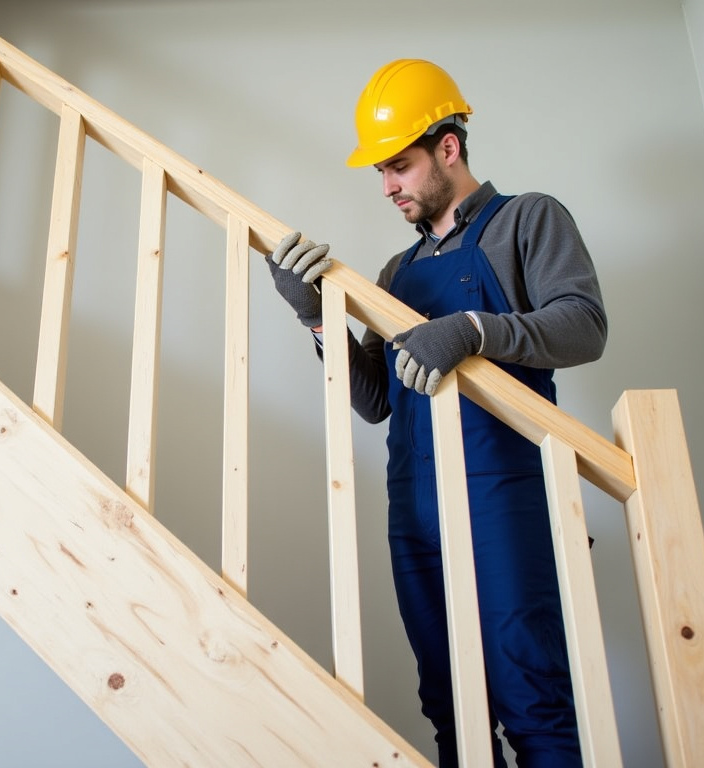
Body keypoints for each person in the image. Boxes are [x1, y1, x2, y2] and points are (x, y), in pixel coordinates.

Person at [265, 59, 607, 767]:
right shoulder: (396, 274)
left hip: (502, 495)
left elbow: (583, 325)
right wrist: (316, 317)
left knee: (532, 696)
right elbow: (374, 400)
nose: (387, 187)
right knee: (451, 707)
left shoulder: (527, 219)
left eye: (399, 166)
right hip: (414, 509)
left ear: (447, 147)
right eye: (381, 172)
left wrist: (475, 330)